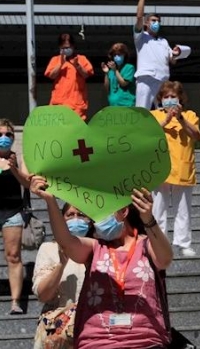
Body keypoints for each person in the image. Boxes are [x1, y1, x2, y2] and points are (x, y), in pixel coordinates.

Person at [30, 176, 173, 349]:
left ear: (123, 212)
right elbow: (66, 242)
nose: (97, 222)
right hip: (97, 341)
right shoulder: (95, 248)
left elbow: (165, 259)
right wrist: (50, 201)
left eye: (102, 213)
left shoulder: (147, 245)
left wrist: (149, 219)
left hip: (145, 341)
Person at [151, 81, 200, 257]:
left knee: (183, 210)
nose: (170, 100)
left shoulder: (190, 115)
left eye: (173, 96)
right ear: (160, 99)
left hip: (182, 166)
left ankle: (183, 244)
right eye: (166, 97)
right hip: (159, 167)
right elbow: (147, 135)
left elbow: (196, 135)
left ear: (180, 98)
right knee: (158, 210)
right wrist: (165, 120)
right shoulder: (153, 115)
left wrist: (180, 119)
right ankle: (159, 244)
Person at [31, 203, 92, 347]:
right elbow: (43, 295)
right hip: (58, 333)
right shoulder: (49, 249)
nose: (76, 219)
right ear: (61, 220)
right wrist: (61, 265)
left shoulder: (99, 248)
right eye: (70, 215)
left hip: (92, 330)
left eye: (81, 215)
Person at [134, 0, 182, 109]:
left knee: (165, 110)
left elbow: (172, 61)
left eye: (158, 21)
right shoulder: (140, 37)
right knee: (142, 111)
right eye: (153, 21)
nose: (156, 23)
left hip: (163, 80)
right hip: (146, 78)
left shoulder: (164, 41)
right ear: (146, 23)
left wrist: (177, 54)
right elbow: (139, 17)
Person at [0, 119, 31, 314]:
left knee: (13, 256)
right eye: (0, 134)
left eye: (8, 135)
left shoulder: (19, 156)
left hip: (13, 212)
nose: (3, 138)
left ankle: (15, 301)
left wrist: (13, 168)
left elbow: (27, 183)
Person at [44, 33, 94, 120]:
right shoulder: (55, 59)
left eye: (68, 47)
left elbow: (86, 75)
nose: (66, 50)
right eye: (63, 48)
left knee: (75, 130)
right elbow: (51, 76)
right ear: (59, 47)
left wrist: (77, 65)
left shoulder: (81, 59)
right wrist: (60, 64)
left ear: (73, 46)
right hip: (59, 104)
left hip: (76, 105)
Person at [102, 43, 136, 107]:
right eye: (115, 55)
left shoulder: (129, 67)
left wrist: (115, 70)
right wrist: (106, 73)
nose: (116, 57)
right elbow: (107, 88)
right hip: (113, 105)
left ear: (124, 55)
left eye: (119, 54)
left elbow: (123, 83)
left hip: (126, 105)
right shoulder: (111, 71)